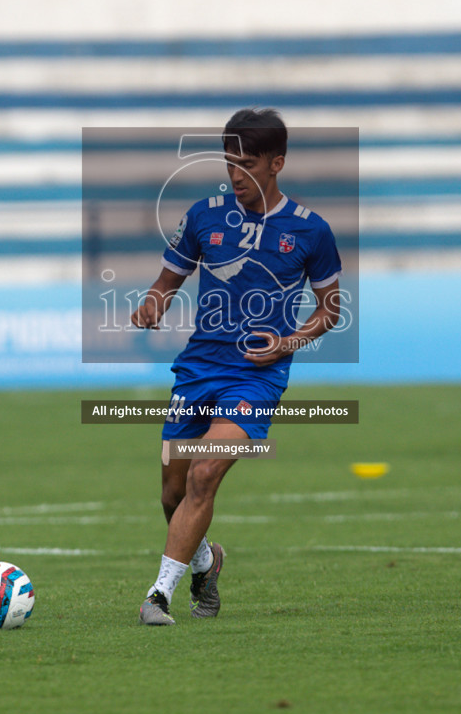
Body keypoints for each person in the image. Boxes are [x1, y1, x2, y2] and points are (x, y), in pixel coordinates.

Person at [131, 109, 342, 625]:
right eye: (229, 163)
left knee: (206, 471)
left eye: (247, 164)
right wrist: (153, 303)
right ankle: (207, 560)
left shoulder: (311, 231)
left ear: (277, 163)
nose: (235, 175)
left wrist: (288, 342)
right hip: (198, 369)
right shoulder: (204, 216)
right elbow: (167, 282)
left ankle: (158, 595)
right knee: (173, 493)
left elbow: (330, 309)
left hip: (255, 376)